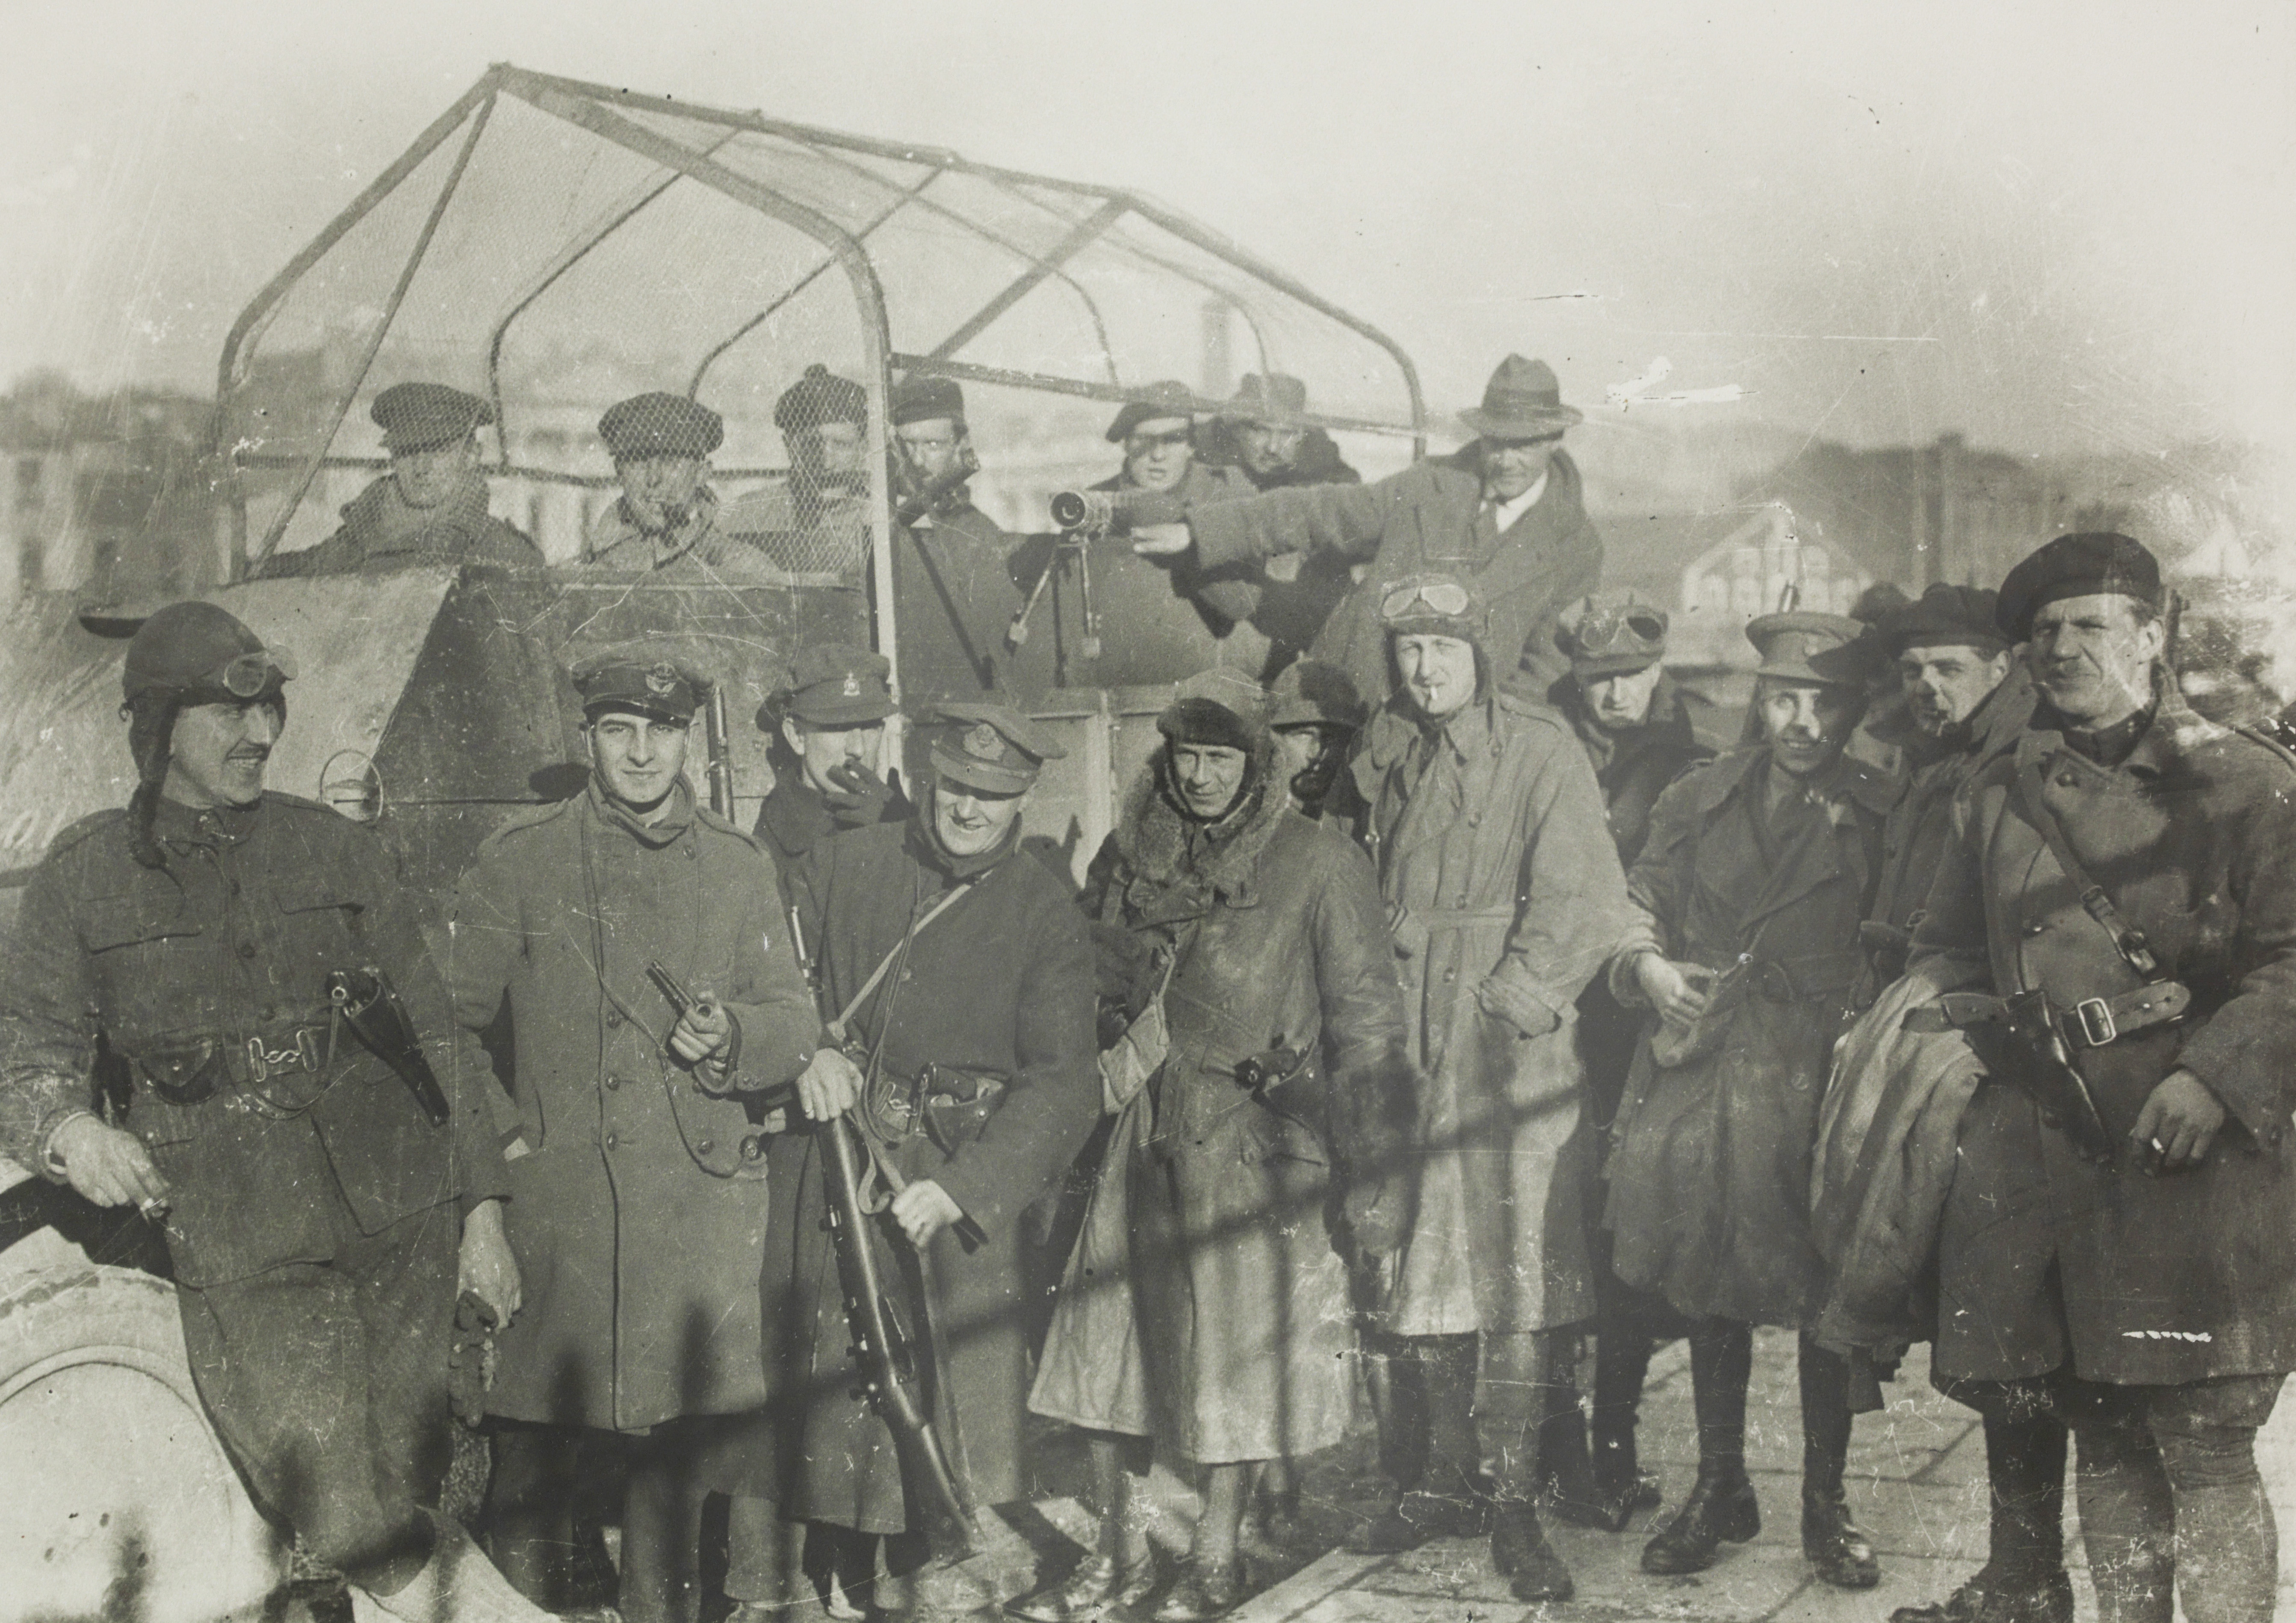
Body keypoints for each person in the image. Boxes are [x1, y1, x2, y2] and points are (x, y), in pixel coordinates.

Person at [0, 599, 543, 1623]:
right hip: (240, 1233)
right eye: (228, 715)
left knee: (411, 1475)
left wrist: (483, 1213)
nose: (260, 734)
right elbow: (28, 1055)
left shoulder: (334, 849)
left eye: (270, 712)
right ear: (157, 727)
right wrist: (72, 1132)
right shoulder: (82, 880)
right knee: (339, 1503)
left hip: (397, 1217)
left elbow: (436, 1032)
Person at [1902, 532, 2296, 1623]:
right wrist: (1968, 1039)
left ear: (2152, 635)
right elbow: (1943, 947)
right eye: (2044, 629)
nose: (2063, 647)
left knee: (2205, 1444)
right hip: (2054, 1152)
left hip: (2200, 1161)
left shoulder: (2246, 780)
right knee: (2107, 1430)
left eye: (2091, 624)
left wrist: (2213, 1075)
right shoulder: (1998, 790)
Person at [448, 645, 831, 1623]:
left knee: (676, 1456)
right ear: (589, 736)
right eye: (618, 730)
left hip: (694, 1201)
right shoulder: (522, 858)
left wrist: (732, 1034)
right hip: (564, 1201)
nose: (642, 752)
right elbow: (446, 1025)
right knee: (535, 1447)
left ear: (687, 738)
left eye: (661, 731)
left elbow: (794, 1020)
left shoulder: (737, 866)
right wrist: (508, 1139)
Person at [1023, 668, 1416, 1622]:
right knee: (1105, 1351)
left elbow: (1368, 1029)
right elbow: (1078, 976)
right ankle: (1119, 1553)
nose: (1198, 776)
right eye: (1185, 755)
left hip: (1251, 1141)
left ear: (1258, 763)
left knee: (1232, 1358)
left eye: (1219, 757)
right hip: (1134, 1131)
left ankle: (1214, 1555)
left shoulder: (1320, 863)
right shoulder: (1130, 853)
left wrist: (1373, 1174)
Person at [766, 702, 1099, 1614]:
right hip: (839, 1161)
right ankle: (830, 1571)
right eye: (954, 785)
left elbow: (1064, 1084)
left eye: (990, 794)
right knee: (834, 1373)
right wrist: (807, 1046)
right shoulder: (845, 863)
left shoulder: (1044, 911)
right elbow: (767, 968)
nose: (966, 808)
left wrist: (961, 1190)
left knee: (930, 1392)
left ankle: (909, 1568)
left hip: (954, 1173)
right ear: (927, 777)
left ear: (1021, 798)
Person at [1341, 576, 1631, 1604]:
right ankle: (1443, 1476)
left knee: (1511, 1271)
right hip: (1410, 1036)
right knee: (1422, 1257)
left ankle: (1512, 1494)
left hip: (1501, 1046)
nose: (1424, 668)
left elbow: (1585, 894)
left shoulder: (1540, 749)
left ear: (1481, 654)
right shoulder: (1394, 754)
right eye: (1409, 648)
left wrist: (1509, 1000)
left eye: (1444, 648)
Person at [1605, 609, 1891, 1590]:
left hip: (1820, 1075)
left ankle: (1825, 1503)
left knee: (1824, 1294)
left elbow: (1904, 935)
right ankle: (1719, 1484)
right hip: (1709, 1064)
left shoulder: (1880, 809)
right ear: (1759, 701)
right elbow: (1636, 895)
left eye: (1824, 703)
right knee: (1707, 1279)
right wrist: (1645, 967)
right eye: (1784, 700)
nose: (1802, 723)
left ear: (1853, 711)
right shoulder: (1700, 794)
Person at [1131, 354, 1600, 702]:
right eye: (1496, 443)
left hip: (1466, 736)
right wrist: (1203, 531)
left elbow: (1545, 668)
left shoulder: (1576, 548)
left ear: (1555, 440)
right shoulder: (1426, 488)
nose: (1506, 460)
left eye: (1525, 445)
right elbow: (1320, 511)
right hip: (1353, 705)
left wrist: (1484, 746)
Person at [1541, 592, 1712, 1533]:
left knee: (1624, 1237)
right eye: (1596, 677)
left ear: (1658, 670)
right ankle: (1554, 1441)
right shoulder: (1544, 748)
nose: (1613, 693)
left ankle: (1608, 1443)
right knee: (1551, 1227)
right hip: (1548, 1014)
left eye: (1630, 675)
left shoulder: (1693, 760)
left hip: (1640, 1026)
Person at [1006, 382, 1265, 691]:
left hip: (1205, 684)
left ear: (1191, 446)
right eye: (1144, 440)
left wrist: (1174, 525)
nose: (1158, 455)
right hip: (1115, 688)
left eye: (1173, 440)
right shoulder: (1096, 503)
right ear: (1126, 444)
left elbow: (1241, 602)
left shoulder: (1226, 496)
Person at [257, 382, 542, 577]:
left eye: (439, 451)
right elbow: (297, 570)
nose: (421, 468)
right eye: (408, 452)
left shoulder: (506, 557)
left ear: (471, 456)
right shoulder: (357, 540)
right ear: (393, 458)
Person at [887, 374, 1024, 702]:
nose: (917, 461)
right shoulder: (874, 522)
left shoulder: (980, 534)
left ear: (961, 445)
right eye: (908, 445)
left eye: (933, 445)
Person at [751, 643, 909, 899]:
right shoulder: (772, 845)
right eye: (839, 727)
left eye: (869, 726)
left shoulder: (899, 817)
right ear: (797, 736)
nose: (857, 749)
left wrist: (901, 833)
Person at [581, 392, 783, 580]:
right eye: (638, 461)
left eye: (670, 462)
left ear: (701, 473)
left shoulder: (741, 569)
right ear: (620, 472)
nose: (653, 478)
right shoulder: (588, 570)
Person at [723, 363, 873, 577]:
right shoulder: (748, 514)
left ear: (864, 448)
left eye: (842, 445)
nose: (827, 462)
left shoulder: (879, 513)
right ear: (790, 447)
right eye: (811, 445)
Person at [1201, 372, 1361, 494]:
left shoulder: (1333, 482)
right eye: (1261, 430)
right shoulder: (1203, 473)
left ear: (1301, 435)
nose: (1273, 448)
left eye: (1287, 434)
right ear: (1237, 430)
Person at [1265, 657, 1368, 823]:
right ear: (1274, 738)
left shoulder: (1352, 820)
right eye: (1304, 735)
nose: (1315, 754)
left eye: (1331, 738)